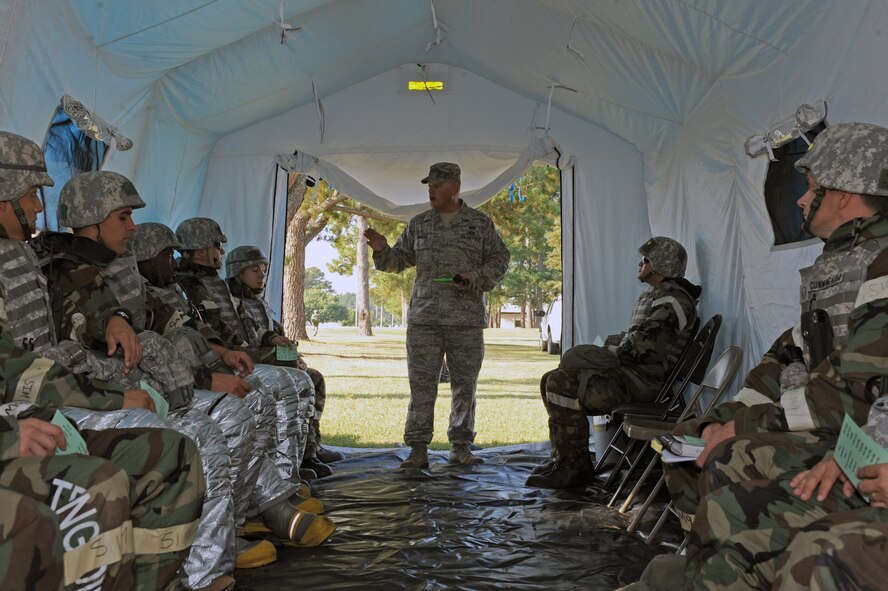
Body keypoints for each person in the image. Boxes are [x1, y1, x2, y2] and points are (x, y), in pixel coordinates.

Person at [633, 122, 888, 591]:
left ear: (845, 195)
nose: (799, 199)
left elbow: (857, 386)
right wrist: (733, 412)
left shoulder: (880, 261)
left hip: (853, 431)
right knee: (695, 435)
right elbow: (791, 350)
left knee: (734, 453)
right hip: (840, 421)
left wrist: (740, 427)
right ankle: (702, 559)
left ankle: (719, 567)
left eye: (811, 187)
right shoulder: (839, 261)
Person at [364, 162, 510, 468]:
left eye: (438, 185)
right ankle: (418, 449)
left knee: (464, 384)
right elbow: (398, 262)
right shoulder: (419, 224)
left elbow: (500, 259)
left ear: (455, 187)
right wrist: (381, 249)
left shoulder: (480, 224)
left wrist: (476, 276)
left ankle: (460, 445)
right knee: (421, 385)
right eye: (429, 185)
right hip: (425, 320)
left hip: (465, 320)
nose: (431, 190)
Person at [525, 236, 700, 489]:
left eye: (646, 260)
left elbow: (643, 351)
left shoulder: (673, 301)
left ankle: (574, 469)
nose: (641, 264)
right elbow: (638, 341)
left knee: (561, 383)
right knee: (550, 380)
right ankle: (565, 459)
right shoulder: (662, 296)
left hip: (644, 383)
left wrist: (605, 353)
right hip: (634, 376)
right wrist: (612, 347)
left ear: (661, 264)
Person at [175, 217, 328, 480]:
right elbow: (210, 333)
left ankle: (298, 458)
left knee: (302, 378)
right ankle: (279, 470)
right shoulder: (189, 286)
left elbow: (243, 330)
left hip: (234, 357)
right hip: (224, 363)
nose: (221, 251)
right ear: (201, 250)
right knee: (283, 383)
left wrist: (271, 339)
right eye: (216, 246)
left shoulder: (216, 285)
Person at [225, 244, 344, 467]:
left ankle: (310, 448)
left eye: (263, 268)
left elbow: (275, 334)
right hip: (247, 367)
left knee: (314, 377)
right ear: (238, 273)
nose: (262, 274)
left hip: (268, 362)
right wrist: (282, 356)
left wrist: (293, 355)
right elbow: (236, 345)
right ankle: (291, 457)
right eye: (254, 269)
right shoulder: (229, 305)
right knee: (298, 379)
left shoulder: (258, 303)